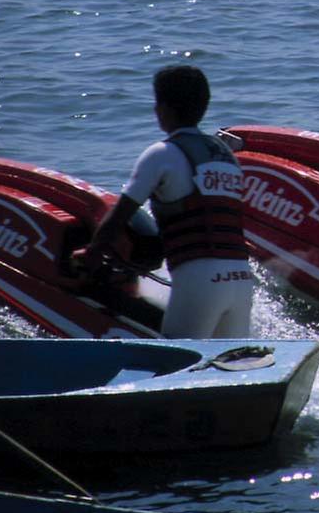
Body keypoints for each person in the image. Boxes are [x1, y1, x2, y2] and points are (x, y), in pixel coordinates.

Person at [72, 64, 254, 337]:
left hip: (200, 279)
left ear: (164, 108)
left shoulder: (162, 153)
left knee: (177, 364)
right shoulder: (226, 156)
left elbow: (120, 215)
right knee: (230, 368)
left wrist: (91, 254)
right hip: (240, 278)